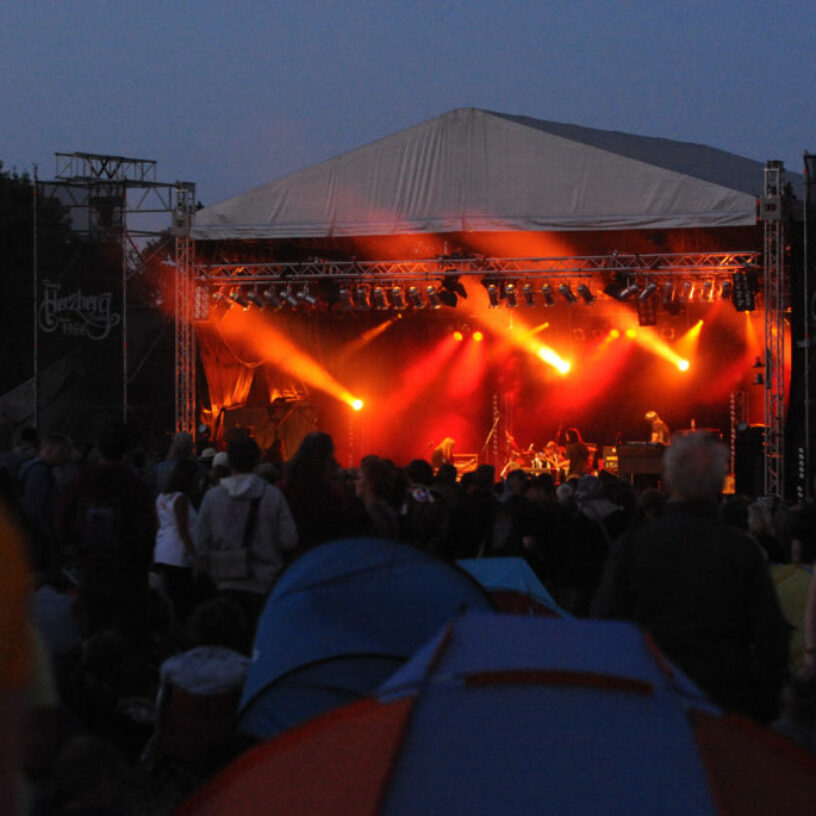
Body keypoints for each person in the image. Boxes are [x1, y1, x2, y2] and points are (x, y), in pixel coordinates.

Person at [593, 432, 789, 722]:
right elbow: (771, 638)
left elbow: (605, 626)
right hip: (725, 707)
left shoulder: (634, 547)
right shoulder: (742, 551)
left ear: (669, 480)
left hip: (651, 701)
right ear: (720, 483)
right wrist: (757, 708)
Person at [58, 424, 157, 643]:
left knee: (94, 631)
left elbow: (63, 521)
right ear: (126, 451)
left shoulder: (80, 483)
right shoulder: (135, 486)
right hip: (128, 572)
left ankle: (95, 670)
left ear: (99, 449)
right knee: (128, 637)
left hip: (90, 567)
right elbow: (147, 529)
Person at [196, 430, 297, 630]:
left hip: (225, 583)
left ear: (229, 462)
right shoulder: (272, 496)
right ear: (257, 460)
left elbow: (201, 543)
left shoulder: (212, 497)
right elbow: (289, 540)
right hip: (264, 584)